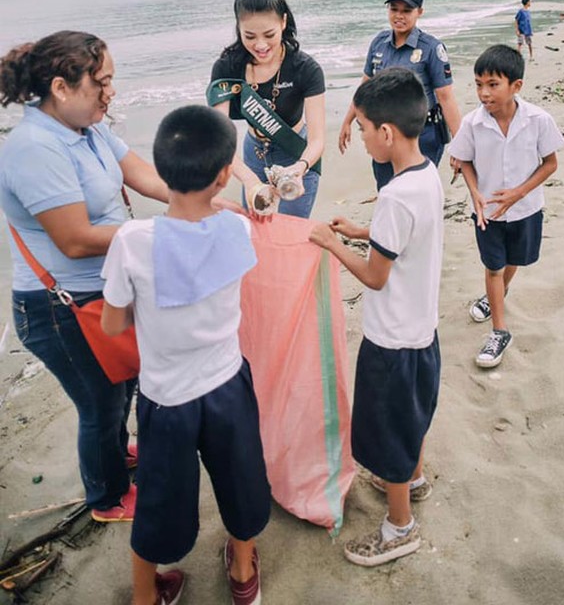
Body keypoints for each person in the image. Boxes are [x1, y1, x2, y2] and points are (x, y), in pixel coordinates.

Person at [101, 105, 271, 605]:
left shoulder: (133, 241)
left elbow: (113, 324)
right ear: (223, 175)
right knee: (241, 478)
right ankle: (243, 574)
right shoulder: (236, 230)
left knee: (160, 499)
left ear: (160, 167)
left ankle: (145, 595)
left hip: (167, 396)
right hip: (226, 383)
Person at [0, 31, 170, 522]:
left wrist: (193, 202)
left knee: (122, 383)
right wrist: (157, 232)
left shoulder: (86, 126)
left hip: (100, 291)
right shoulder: (34, 148)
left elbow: (139, 172)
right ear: (61, 86)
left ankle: (116, 453)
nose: (110, 93)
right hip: (56, 309)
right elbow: (74, 239)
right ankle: (108, 497)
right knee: (99, 403)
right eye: (102, 83)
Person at [310, 68, 443, 567]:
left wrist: (332, 243)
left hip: (391, 341)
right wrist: (363, 230)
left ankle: (398, 527)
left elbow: (375, 277)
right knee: (412, 416)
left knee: (388, 431)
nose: (361, 136)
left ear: (386, 132)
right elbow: (403, 241)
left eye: (363, 127)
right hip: (422, 332)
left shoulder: (393, 195)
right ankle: (415, 477)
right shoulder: (424, 176)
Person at [448, 44, 564, 369]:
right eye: (478, 84)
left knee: (515, 260)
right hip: (487, 214)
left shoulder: (538, 120)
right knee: (493, 267)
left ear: (516, 86)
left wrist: (518, 193)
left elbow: (550, 163)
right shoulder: (472, 123)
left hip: (526, 209)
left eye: (493, 84)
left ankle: (497, 293)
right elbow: (465, 162)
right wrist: (475, 195)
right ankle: (500, 331)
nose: (484, 93)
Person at [209, 0, 325, 218]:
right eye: (249, 36)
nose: (260, 45)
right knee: (256, 230)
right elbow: (219, 140)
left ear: (283, 22)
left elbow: (317, 141)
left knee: (292, 231)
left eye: (269, 35)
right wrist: (250, 180)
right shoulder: (227, 67)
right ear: (238, 28)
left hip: (296, 153)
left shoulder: (306, 69)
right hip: (252, 155)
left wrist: (300, 168)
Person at [338, 0, 462, 190]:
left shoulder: (431, 48)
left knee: (417, 191)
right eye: (394, 9)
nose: (399, 16)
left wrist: (460, 147)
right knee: (387, 190)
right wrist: (347, 121)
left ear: (419, 12)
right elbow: (366, 86)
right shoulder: (379, 43)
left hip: (423, 134)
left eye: (407, 10)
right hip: (383, 135)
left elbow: (446, 97)